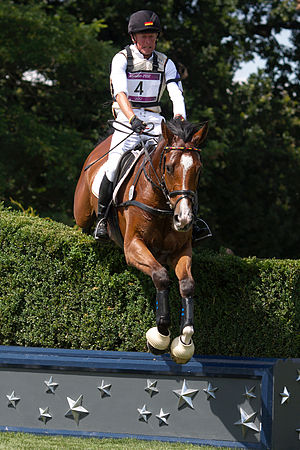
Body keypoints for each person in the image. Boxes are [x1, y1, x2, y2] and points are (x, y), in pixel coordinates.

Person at [94, 10, 211, 245]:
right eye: (143, 36)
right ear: (134, 37)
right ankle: (102, 218)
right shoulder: (121, 59)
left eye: (152, 37)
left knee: (181, 163)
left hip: (156, 121)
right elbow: (120, 93)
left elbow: (176, 94)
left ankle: (193, 220)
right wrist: (131, 118)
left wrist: (179, 120)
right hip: (127, 120)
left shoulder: (165, 62)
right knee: (113, 163)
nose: (148, 42)